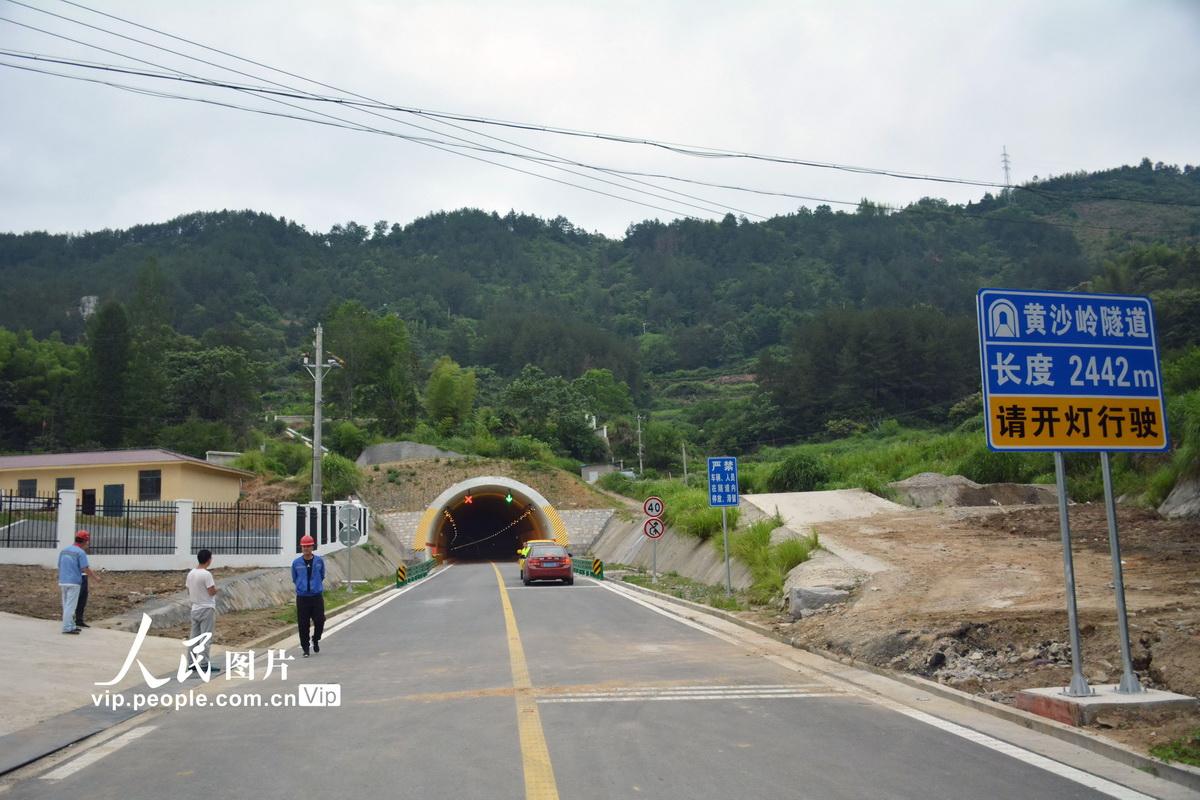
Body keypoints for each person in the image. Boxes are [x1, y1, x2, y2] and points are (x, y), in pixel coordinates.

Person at [185, 549, 221, 675]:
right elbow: (211, 591)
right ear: (208, 559)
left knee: (194, 638)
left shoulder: (191, 573)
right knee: (205, 638)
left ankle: (191, 663)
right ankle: (204, 664)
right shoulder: (206, 575)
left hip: (195, 609)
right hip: (207, 609)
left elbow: (188, 591)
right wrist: (217, 590)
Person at [291, 534, 325, 657]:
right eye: (304, 546)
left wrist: (315, 586)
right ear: (301, 547)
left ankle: (316, 638)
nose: (306, 548)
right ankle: (305, 648)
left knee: (320, 620)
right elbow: (295, 578)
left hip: (316, 596)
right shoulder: (296, 563)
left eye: (308, 546)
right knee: (303, 624)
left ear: (312, 547)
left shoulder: (319, 561)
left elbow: (322, 575)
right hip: (302, 598)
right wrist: (302, 587)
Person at [58, 530, 98, 634]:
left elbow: (59, 565)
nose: (87, 544)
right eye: (87, 541)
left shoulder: (64, 550)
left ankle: (71, 625)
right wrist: (95, 578)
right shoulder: (80, 552)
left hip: (63, 581)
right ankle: (67, 627)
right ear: (84, 541)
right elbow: (85, 568)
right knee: (71, 606)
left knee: (66, 604)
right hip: (74, 582)